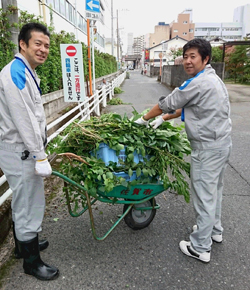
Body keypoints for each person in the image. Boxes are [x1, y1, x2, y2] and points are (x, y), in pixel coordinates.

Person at [135, 38, 232, 263]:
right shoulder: (211, 79)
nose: (187, 61)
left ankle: (200, 247)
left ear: (205, 59)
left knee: (204, 197)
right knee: (214, 192)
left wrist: (145, 118)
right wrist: (164, 118)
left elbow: (170, 101)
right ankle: (214, 231)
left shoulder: (197, 83)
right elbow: (187, 106)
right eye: (185, 57)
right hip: (221, 145)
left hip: (208, 149)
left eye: (193, 57)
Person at [0, 22, 59, 280]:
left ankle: (23, 247)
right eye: (38, 43)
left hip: (21, 150)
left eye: (46, 45)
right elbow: (24, 119)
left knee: (23, 201)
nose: (43, 49)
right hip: (21, 151)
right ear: (22, 44)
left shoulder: (25, 70)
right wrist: (40, 155)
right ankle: (31, 262)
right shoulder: (16, 73)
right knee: (29, 204)